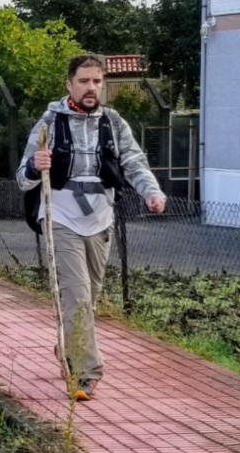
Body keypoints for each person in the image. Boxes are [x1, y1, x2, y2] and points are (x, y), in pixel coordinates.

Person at [18, 54, 167, 401]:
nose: (91, 88)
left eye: (97, 81)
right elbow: (22, 177)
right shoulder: (49, 122)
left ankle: (66, 345)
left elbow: (134, 162)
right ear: (69, 84)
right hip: (61, 217)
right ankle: (85, 374)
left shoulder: (113, 123)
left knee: (89, 298)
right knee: (78, 295)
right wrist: (33, 166)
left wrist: (152, 192)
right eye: (84, 81)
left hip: (100, 218)